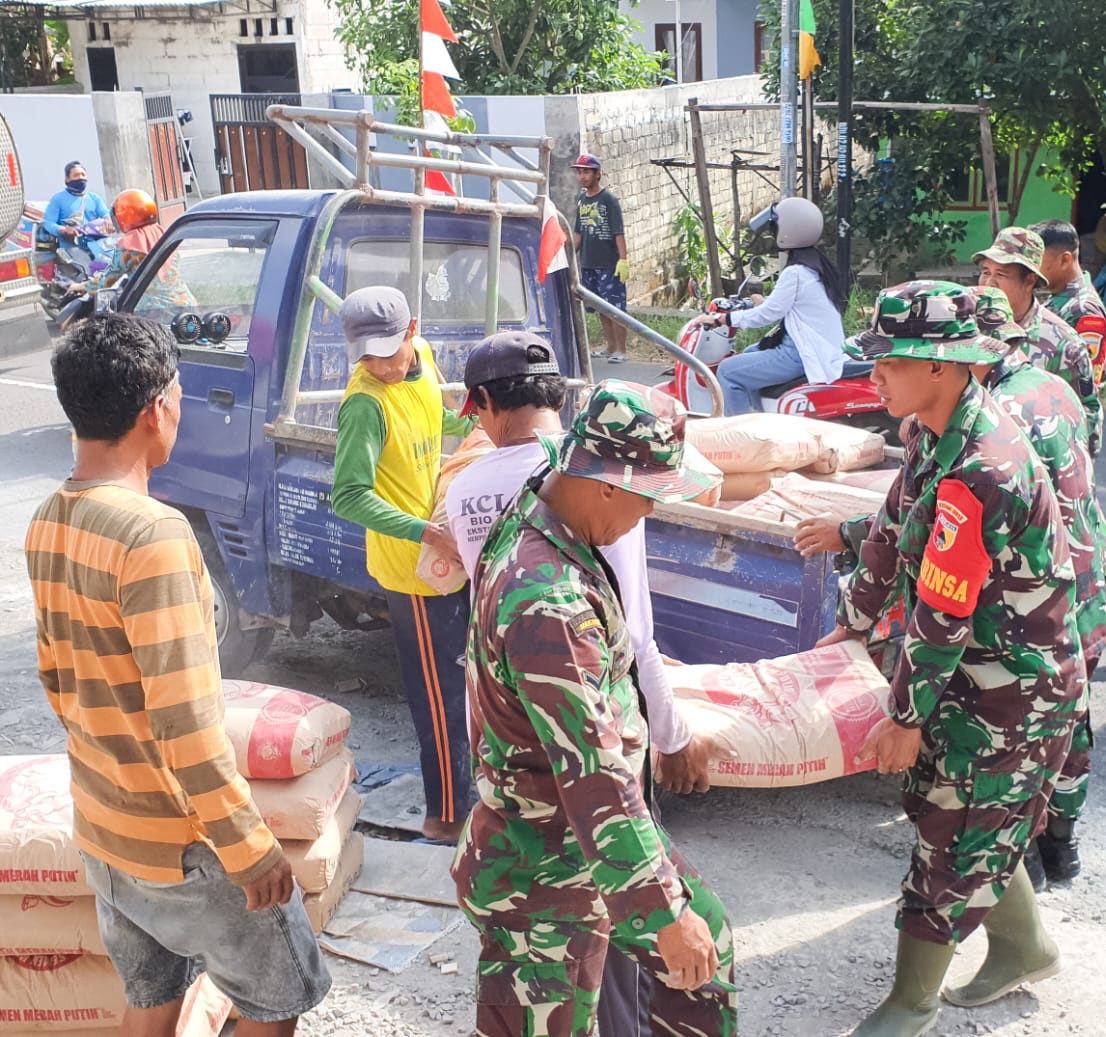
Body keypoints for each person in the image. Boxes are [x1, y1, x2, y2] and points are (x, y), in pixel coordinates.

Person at [26, 313, 331, 1035]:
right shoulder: (151, 535)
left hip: (104, 828)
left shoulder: (50, 517)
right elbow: (187, 724)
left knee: (150, 1003)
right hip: (182, 845)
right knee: (275, 1000)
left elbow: (57, 683)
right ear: (156, 408)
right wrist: (250, 849)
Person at [823, 282, 1083, 1036]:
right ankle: (1026, 945)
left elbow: (943, 615)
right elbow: (887, 529)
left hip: (1013, 692)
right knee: (956, 813)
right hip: (968, 675)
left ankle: (910, 1003)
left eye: (889, 362)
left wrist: (905, 716)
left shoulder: (983, 468)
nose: (874, 376)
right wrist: (850, 624)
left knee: (955, 831)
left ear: (943, 367)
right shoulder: (929, 434)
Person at [452, 380, 735, 1037]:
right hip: (543, 870)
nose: (648, 514)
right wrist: (663, 911)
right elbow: (595, 777)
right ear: (607, 482)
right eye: (648, 496)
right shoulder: (548, 602)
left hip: (576, 842)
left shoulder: (545, 500)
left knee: (704, 954)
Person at [976, 225, 1106, 660]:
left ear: (1031, 280)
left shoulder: (1061, 340)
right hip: (994, 479)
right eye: (984, 274)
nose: (986, 284)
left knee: (1068, 563)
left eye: (999, 276)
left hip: (1048, 477)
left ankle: (1083, 648)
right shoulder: (974, 331)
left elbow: (1083, 408)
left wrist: (1071, 476)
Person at [970, 285, 1106, 889]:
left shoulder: (996, 411)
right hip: (1087, 584)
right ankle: (1063, 848)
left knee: (1019, 733)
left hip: (1037, 599)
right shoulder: (1055, 388)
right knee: (1072, 721)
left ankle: (1018, 860)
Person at [330, 285, 474, 841]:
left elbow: (439, 422)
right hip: (409, 571)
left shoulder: (426, 360)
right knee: (438, 700)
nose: (379, 365)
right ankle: (443, 819)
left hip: (447, 555)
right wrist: (424, 532)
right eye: (366, 354)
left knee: (465, 686)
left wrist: (480, 424)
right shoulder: (364, 403)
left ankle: (470, 795)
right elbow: (348, 496)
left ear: (412, 331)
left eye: (387, 351)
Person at [705, 196, 848, 415]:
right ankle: (762, 417)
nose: (773, 233)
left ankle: (741, 436)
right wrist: (762, 303)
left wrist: (724, 319)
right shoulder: (815, 265)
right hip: (817, 347)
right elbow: (790, 307)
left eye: (776, 228)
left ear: (788, 231)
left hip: (799, 353)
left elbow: (768, 315)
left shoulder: (796, 272)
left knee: (727, 371)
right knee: (752, 351)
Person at [58, 189, 193, 327]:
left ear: (125, 216)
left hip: (154, 313)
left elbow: (107, 281)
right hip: (186, 305)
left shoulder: (130, 244)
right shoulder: (163, 233)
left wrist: (81, 286)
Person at [1033, 219, 1106, 385]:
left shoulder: (1085, 310)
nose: (1032, 267)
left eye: (1037, 260)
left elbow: (1087, 383)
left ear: (1064, 260)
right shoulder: (1059, 299)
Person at [573, 154, 632, 364]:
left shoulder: (609, 200)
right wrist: (570, 254)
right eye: (579, 172)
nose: (582, 176)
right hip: (589, 262)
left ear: (598, 174)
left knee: (615, 308)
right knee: (600, 308)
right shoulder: (582, 200)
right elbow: (579, 232)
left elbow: (618, 232)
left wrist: (623, 260)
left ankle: (622, 350)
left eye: (586, 171)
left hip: (609, 263)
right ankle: (610, 347)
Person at [40, 159, 110, 253]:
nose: (80, 178)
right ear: (67, 179)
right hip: (72, 252)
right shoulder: (58, 199)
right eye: (76, 175)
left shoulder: (94, 198)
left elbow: (106, 214)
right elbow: (48, 223)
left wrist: (108, 220)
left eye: (83, 175)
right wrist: (63, 230)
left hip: (98, 249)